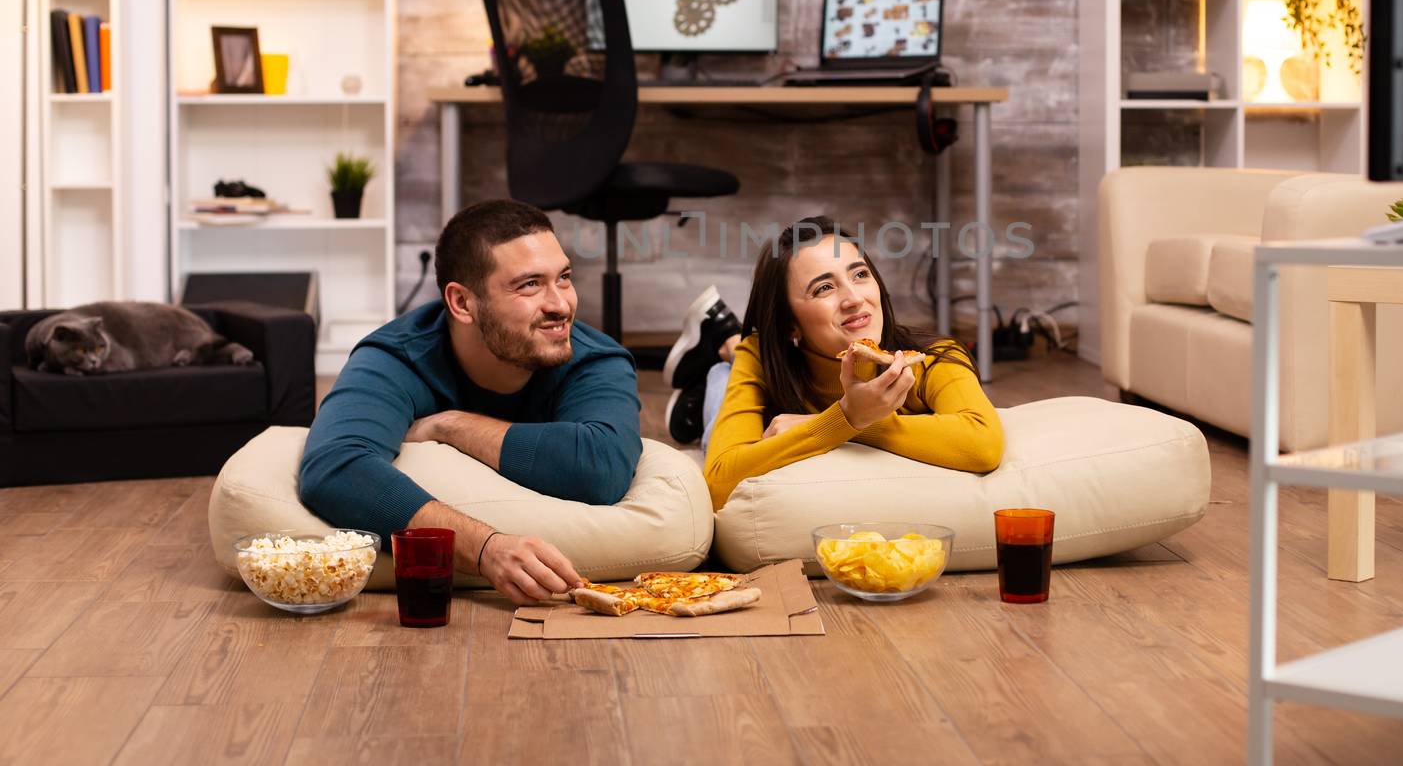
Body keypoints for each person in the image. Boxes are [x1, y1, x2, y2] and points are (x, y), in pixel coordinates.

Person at [298, 199, 643, 605]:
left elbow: (599, 468)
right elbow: (334, 467)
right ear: (462, 303)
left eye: (564, 277)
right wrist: (485, 549)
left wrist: (451, 426)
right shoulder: (398, 356)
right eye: (530, 284)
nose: (561, 305)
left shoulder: (595, 358)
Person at [664, 216, 1006, 510]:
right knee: (718, 406)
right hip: (756, 361)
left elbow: (984, 444)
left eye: (860, 275)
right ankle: (724, 353)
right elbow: (722, 483)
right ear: (790, 324)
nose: (855, 299)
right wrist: (848, 417)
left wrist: (847, 422)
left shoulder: (934, 357)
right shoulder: (761, 356)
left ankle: (723, 340)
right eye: (824, 288)